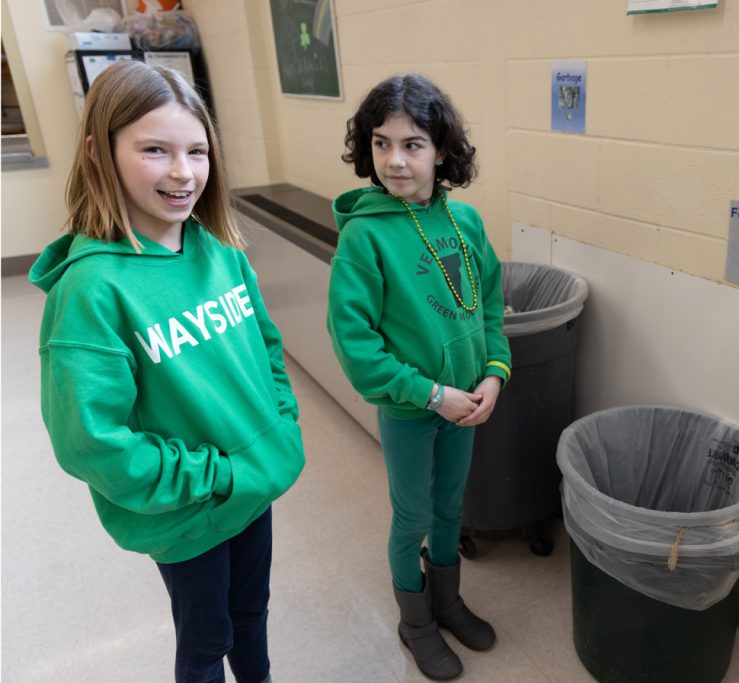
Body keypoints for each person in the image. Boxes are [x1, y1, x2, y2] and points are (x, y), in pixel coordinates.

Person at [29, 60, 305, 683]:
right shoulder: (93, 290)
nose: (183, 173)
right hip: (189, 512)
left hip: (252, 487)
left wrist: (279, 424)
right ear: (101, 153)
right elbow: (90, 443)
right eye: (155, 150)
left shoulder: (220, 252)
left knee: (252, 613)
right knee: (207, 640)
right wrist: (215, 474)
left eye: (197, 151)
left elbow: (265, 347)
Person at [327, 73, 511, 681]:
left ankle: (449, 601)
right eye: (381, 143)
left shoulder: (469, 223)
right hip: (414, 408)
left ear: (441, 150)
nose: (394, 160)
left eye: (412, 144)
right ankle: (416, 622)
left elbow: (488, 306)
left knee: (451, 507)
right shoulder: (364, 237)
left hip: (467, 404)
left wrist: (492, 375)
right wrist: (430, 394)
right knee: (413, 517)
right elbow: (357, 347)